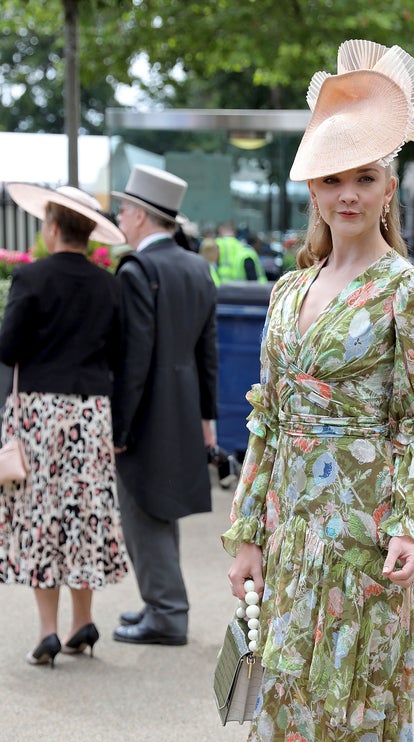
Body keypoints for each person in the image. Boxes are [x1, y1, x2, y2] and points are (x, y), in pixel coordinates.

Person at [177, 39, 414, 742]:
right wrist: (246, 529)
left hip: (363, 542)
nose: (348, 194)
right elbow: (264, 418)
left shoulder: (411, 295)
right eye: (334, 175)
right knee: (289, 705)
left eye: (365, 176)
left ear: (388, 187)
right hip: (293, 537)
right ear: (314, 186)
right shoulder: (291, 292)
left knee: (347, 711)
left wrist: (413, 522)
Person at [0, 184, 128, 665]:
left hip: (38, 413)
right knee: (83, 513)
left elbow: (8, 347)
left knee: (41, 514)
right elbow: (118, 355)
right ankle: (83, 622)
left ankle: (49, 632)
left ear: (52, 228)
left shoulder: (31, 280)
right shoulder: (109, 284)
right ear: (89, 232)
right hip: (90, 411)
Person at [110, 165, 218, 646]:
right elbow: (207, 353)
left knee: (141, 507)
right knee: (162, 506)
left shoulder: (138, 270)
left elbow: (132, 360)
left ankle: (167, 612)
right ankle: (162, 603)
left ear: (139, 215)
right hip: (183, 401)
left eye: (123, 209)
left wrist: (118, 429)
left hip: (147, 407)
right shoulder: (197, 267)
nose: (118, 216)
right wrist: (206, 421)